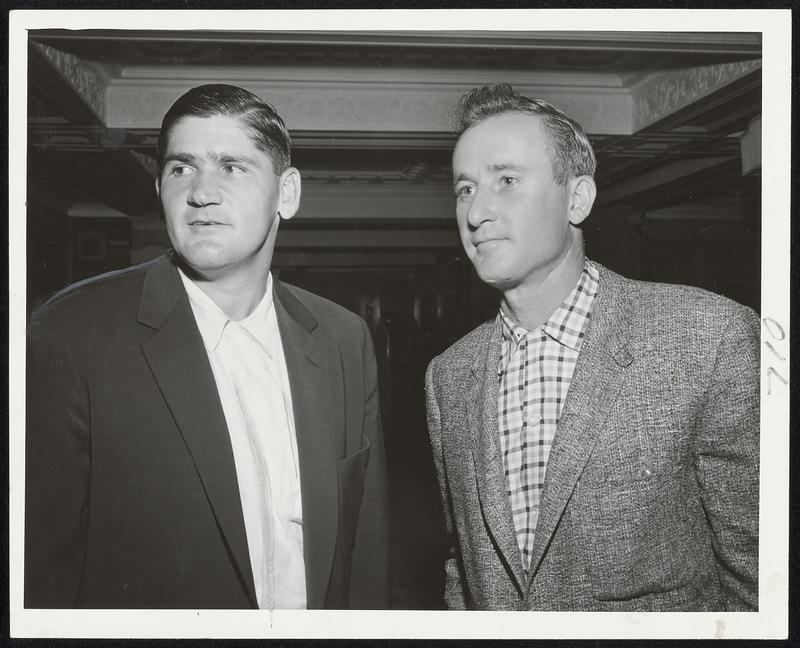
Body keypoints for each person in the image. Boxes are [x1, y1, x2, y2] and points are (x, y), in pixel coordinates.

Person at [25, 84, 389, 609]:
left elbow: (365, 554)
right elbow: (40, 573)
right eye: (181, 168)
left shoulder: (341, 337)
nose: (200, 192)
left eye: (232, 167)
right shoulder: (73, 332)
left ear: (286, 194)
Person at [425, 84, 759, 611]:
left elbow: (760, 578)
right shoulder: (449, 375)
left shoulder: (707, 336)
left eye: (506, 180)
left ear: (576, 199)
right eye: (464, 189)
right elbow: (462, 569)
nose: (476, 211)